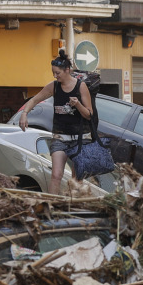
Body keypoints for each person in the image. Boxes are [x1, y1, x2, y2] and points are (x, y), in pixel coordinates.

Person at [19, 49, 94, 194]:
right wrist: (24, 113)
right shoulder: (54, 86)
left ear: (67, 70)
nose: (55, 76)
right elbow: (34, 99)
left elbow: (89, 115)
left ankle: (74, 208)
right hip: (60, 136)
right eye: (53, 72)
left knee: (76, 178)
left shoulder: (81, 87)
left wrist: (78, 104)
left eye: (57, 73)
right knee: (56, 174)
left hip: (80, 137)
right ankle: (52, 207)